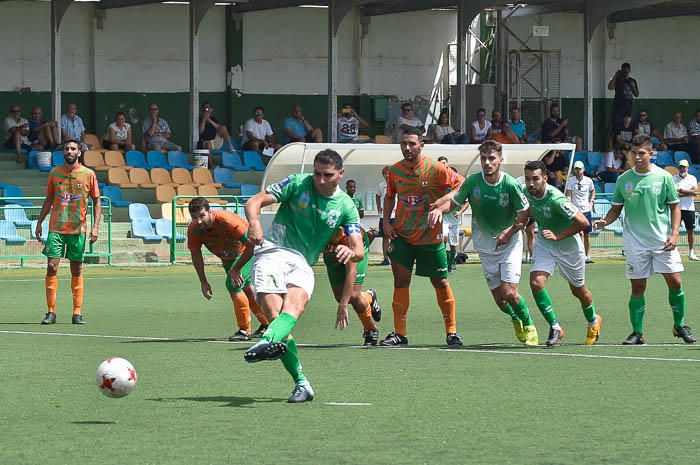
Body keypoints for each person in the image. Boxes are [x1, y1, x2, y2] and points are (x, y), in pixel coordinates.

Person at [239, 149, 364, 403]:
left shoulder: (346, 205)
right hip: (272, 251)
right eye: (317, 173)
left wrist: (350, 249)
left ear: (340, 175)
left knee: (293, 309)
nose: (319, 180)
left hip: (303, 263)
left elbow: (359, 250)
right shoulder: (297, 183)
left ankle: (267, 340)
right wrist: (254, 223)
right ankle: (301, 382)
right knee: (275, 316)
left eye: (327, 175)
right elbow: (254, 202)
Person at [432, 140, 538, 346]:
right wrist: (439, 210)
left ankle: (529, 322)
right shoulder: (472, 182)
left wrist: (509, 232)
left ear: (500, 159)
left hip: (509, 245)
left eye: (492, 158)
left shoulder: (510, 184)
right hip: (485, 247)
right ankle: (515, 318)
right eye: (484, 158)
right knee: (500, 301)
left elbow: (524, 215)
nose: (487, 163)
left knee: (510, 293)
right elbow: (453, 203)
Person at [593, 134, 696, 345]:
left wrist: (675, 234)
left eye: (642, 153)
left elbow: (675, 206)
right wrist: (604, 221)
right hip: (635, 243)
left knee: (675, 283)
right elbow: (615, 209)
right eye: (634, 153)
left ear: (651, 154)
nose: (637, 157)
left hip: (662, 241)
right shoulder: (624, 180)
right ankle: (637, 332)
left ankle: (679, 325)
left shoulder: (664, 177)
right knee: (638, 287)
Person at [380, 128, 463, 347]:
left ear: (421, 145)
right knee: (400, 281)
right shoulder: (394, 171)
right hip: (402, 236)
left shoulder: (436, 169)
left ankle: (452, 332)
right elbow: (390, 197)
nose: (407, 148)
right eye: (403, 143)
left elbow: (462, 185)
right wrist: (386, 222)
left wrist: (444, 201)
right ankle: (400, 333)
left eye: (412, 144)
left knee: (440, 281)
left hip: (430, 237)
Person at [524, 160, 602, 346]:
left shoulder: (557, 199)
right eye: (527, 179)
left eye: (535, 179)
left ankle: (593, 320)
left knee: (578, 290)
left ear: (544, 178)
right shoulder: (528, 192)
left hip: (568, 246)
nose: (531, 183)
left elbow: (584, 222)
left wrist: (558, 236)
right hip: (546, 243)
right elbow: (528, 210)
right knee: (536, 282)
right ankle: (555, 327)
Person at [35, 140, 101, 325]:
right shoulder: (54, 173)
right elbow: (49, 199)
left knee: (76, 268)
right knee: (52, 267)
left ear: (79, 152)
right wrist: (40, 222)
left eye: (73, 149)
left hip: (78, 229)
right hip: (56, 228)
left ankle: (77, 313)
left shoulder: (88, 174)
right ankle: (51, 312)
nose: (69, 151)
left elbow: (97, 201)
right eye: (66, 148)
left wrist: (95, 227)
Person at [187, 197, 269, 341]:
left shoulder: (228, 221)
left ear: (209, 212)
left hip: (248, 253)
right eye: (194, 217)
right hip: (229, 260)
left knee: (233, 284)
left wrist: (236, 269)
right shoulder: (194, 229)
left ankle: (244, 331)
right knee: (248, 291)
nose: (199, 221)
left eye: (202, 216)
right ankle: (267, 324)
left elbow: (252, 245)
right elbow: (196, 254)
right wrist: (203, 282)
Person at [323, 225, 382, 346]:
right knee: (340, 296)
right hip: (332, 253)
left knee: (352, 295)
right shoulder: (313, 224)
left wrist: (343, 305)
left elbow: (351, 272)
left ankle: (370, 329)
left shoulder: (348, 234)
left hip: (354, 248)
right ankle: (369, 296)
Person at [437, 156, 467, 273]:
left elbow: (466, 202)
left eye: (444, 163)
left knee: (453, 245)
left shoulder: (459, 183)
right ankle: (443, 264)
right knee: (443, 239)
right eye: (440, 164)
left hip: (454, 219)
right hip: (444, 218)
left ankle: (451, 263)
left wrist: (460, 211)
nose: (442, 165)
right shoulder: (439, 182)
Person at [565, 161, 596, 263]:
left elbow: (593, 191)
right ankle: (579, 255)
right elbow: (569, 194)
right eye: (576, 169)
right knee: (578, 234)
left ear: (583, 169)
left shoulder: (588, 181)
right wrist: (570, 206)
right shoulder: (570, 181)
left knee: (587, 234)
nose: (578, 171)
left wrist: (591, 202)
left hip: (586, 210)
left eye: (579, 168)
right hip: (576, 211)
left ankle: (587, 255)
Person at [673, 160, 699, 261]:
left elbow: (695, 191)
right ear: (678, 168)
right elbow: (673, 193)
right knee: (674, 230)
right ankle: (674, 253)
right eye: (681, 167)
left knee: (690, 231)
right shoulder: (673, 178)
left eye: (684, 167)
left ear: (688, 168)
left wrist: (681, 190)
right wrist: (688, 193)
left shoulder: (692, 178)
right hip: (676, 208)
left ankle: (691, 252)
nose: (682, 169)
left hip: (689, 208)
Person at [608, 63, 639, 130]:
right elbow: (610, 87)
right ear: (621, 70)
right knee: (616, 124)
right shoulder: (618, 79)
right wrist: (616, 75)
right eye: (624, 70)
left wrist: (633, 87)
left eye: (627, 70)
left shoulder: (632, 80)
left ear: (630, 70)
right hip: (618, 105)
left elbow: (636, 94)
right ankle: (614, 139)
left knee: (627, 124)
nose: (626, 72)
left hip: (628, 105)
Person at [375, 165, 395, 266]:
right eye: (385, 173)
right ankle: (386, 258)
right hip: (384, 216)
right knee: (385, 237)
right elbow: (377, 195)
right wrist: (378, 206)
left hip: (395, 215)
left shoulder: (397, 184)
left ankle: (394, 257)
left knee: (395, 238)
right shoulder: (381, 185)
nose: (387, 175)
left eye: (389, 173)